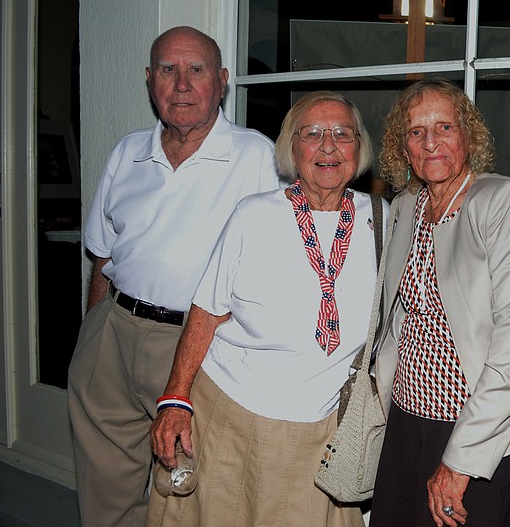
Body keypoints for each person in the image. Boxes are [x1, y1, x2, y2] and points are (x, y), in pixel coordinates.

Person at [67, 25, 283, 526]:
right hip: (114, 332)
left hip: (197, 345)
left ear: (222, 81)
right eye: (168, 70)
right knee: (104, 487)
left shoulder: (257, 157)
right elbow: (102, 255)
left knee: (190, 490)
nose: (181, 84)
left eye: (196, 70)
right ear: (149, 80)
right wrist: (92, 334)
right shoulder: (127, 153)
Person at [147, 91, 387, 527]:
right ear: (291, 150)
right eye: (311, 134)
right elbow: (205, 312)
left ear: (360, 147)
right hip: (231, 414)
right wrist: (175, 399)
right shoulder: (253, 216)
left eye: (342, 134)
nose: (328, 146)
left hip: (322, 427)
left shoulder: (385, 221)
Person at [370, 79, 510, 527]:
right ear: (402, 147)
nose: (431, 143)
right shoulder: (406, 204)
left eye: (444, 127)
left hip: (473, 429)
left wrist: (461, 459)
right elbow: (397, 321)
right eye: (416, 131)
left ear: (468, 135)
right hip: (404, 422)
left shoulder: (500, 199)